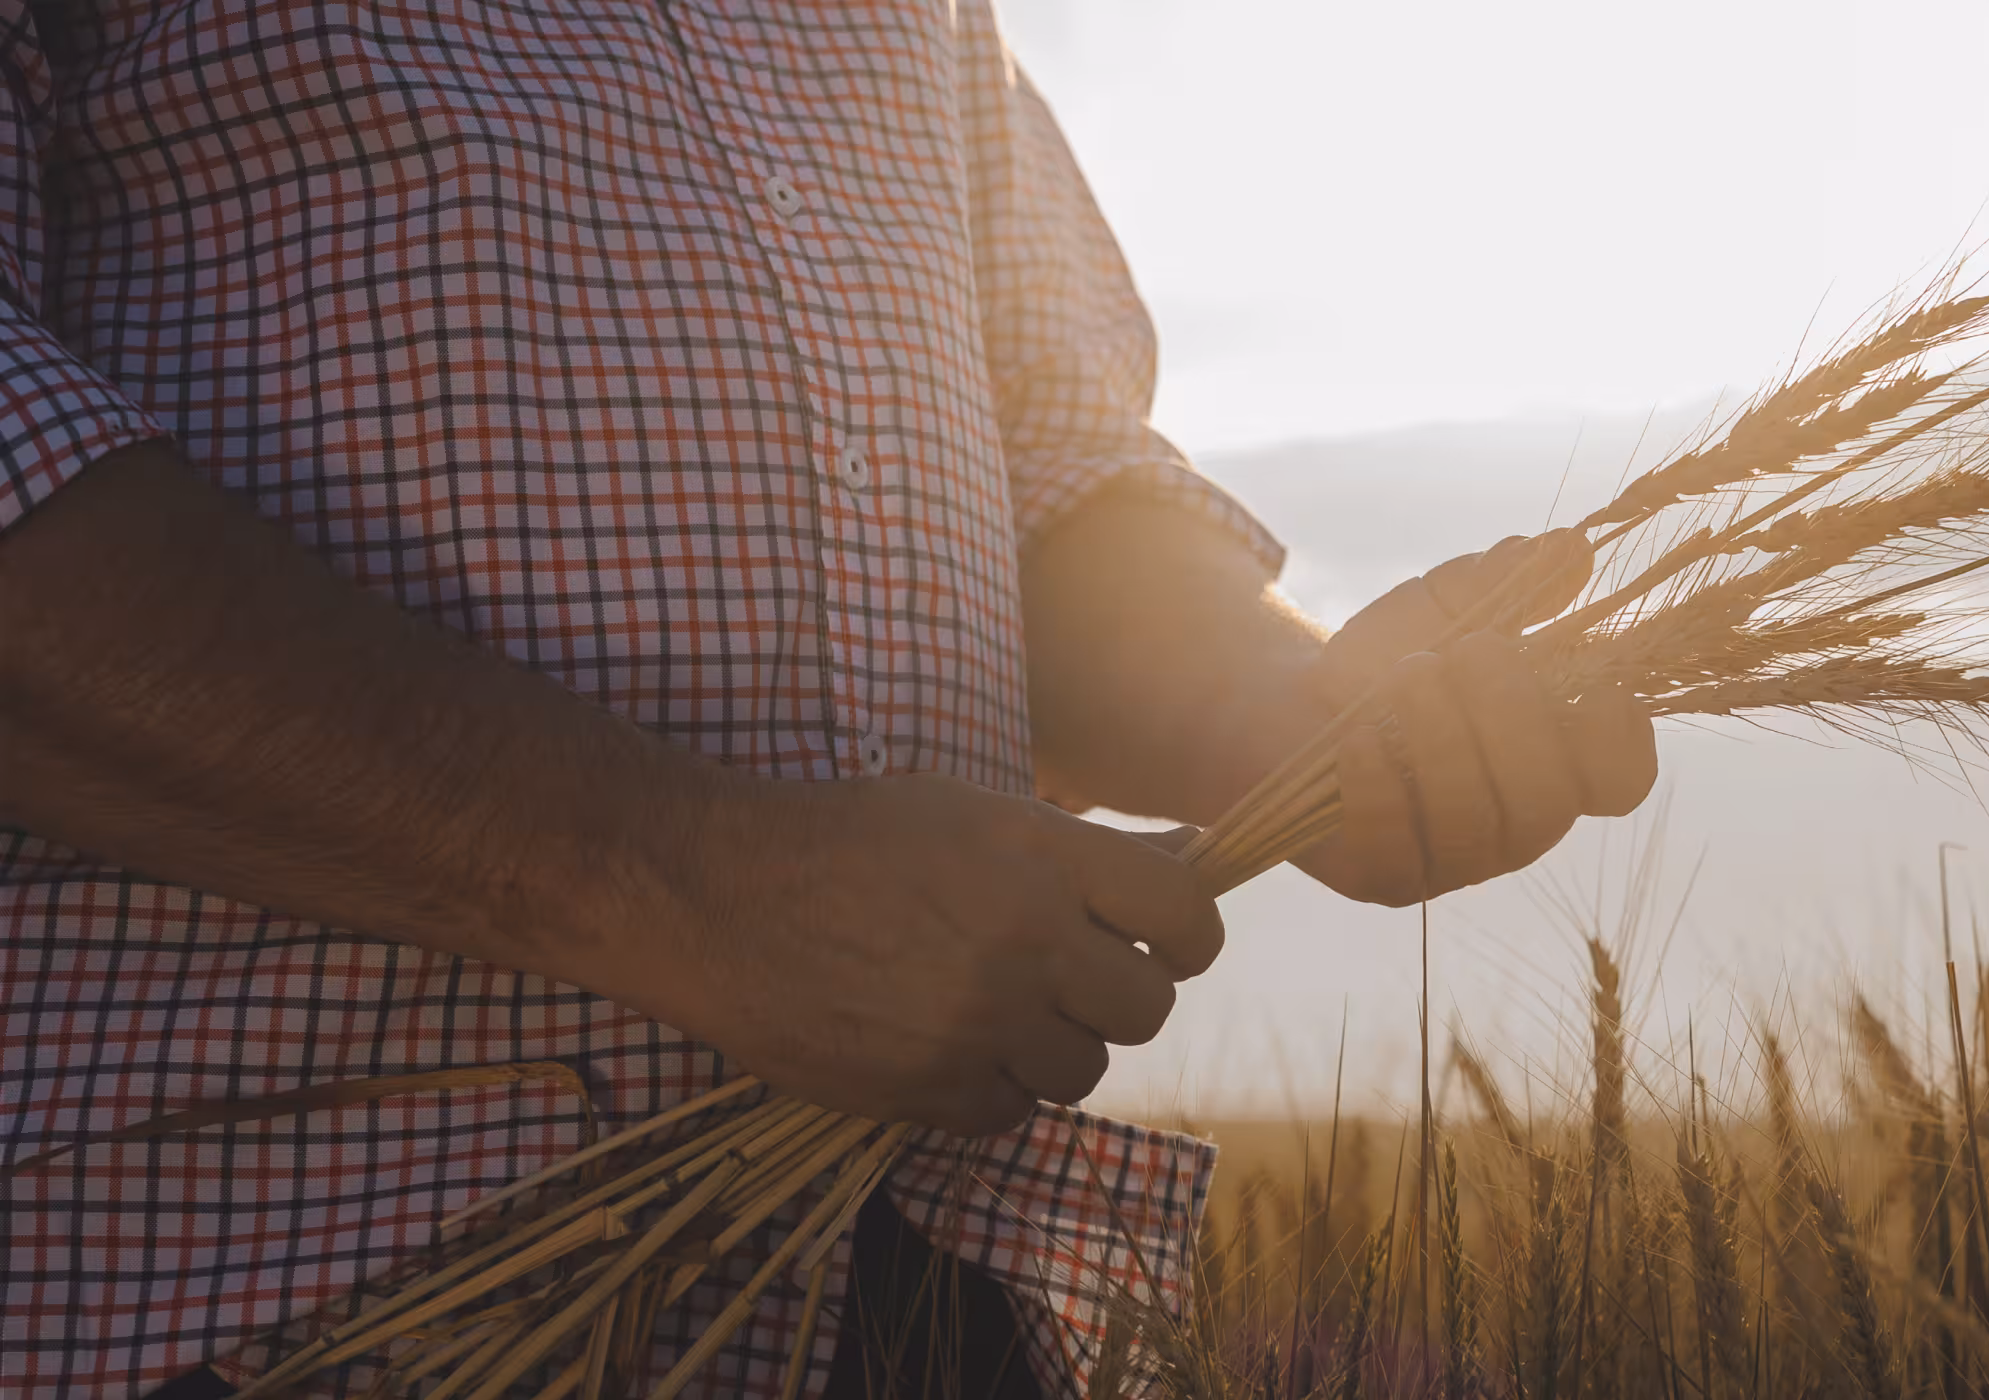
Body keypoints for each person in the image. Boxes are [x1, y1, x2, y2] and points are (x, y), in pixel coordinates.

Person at [0, 2, 1656, 1396]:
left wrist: (1297, 723)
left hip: (912, 1273)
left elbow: (1057, 476)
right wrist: (682, 879)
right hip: (274, 1286)